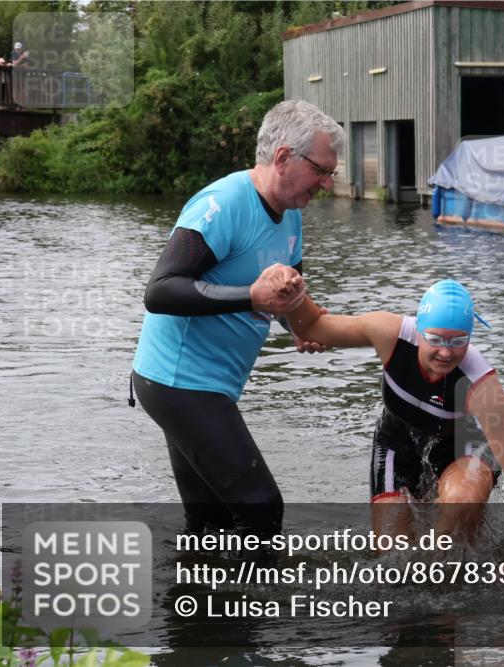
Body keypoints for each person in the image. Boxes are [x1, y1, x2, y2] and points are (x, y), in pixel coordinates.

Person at [131, 99, 345, 548]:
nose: (327, 183)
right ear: (284, 157)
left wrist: (299, 327)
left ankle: (196, 609)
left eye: (331, 173)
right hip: (178, 382)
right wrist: (251, 295)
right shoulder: (224, 204)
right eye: (322, 170)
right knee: (261, 508)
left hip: (205, 386)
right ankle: (257, 613)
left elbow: (288, 297)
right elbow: (160, 291)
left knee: (211, 523)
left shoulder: (290, 215)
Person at [286, 279, 504, 560]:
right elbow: (312, 327)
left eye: (458, 341)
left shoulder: (479, 381)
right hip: (397, 441)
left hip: (463, 446)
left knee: (457, 510)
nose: (445, 352)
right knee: (393, 559)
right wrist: (293, 297)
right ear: (419, 329)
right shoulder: (389, 333)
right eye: (435, 339)